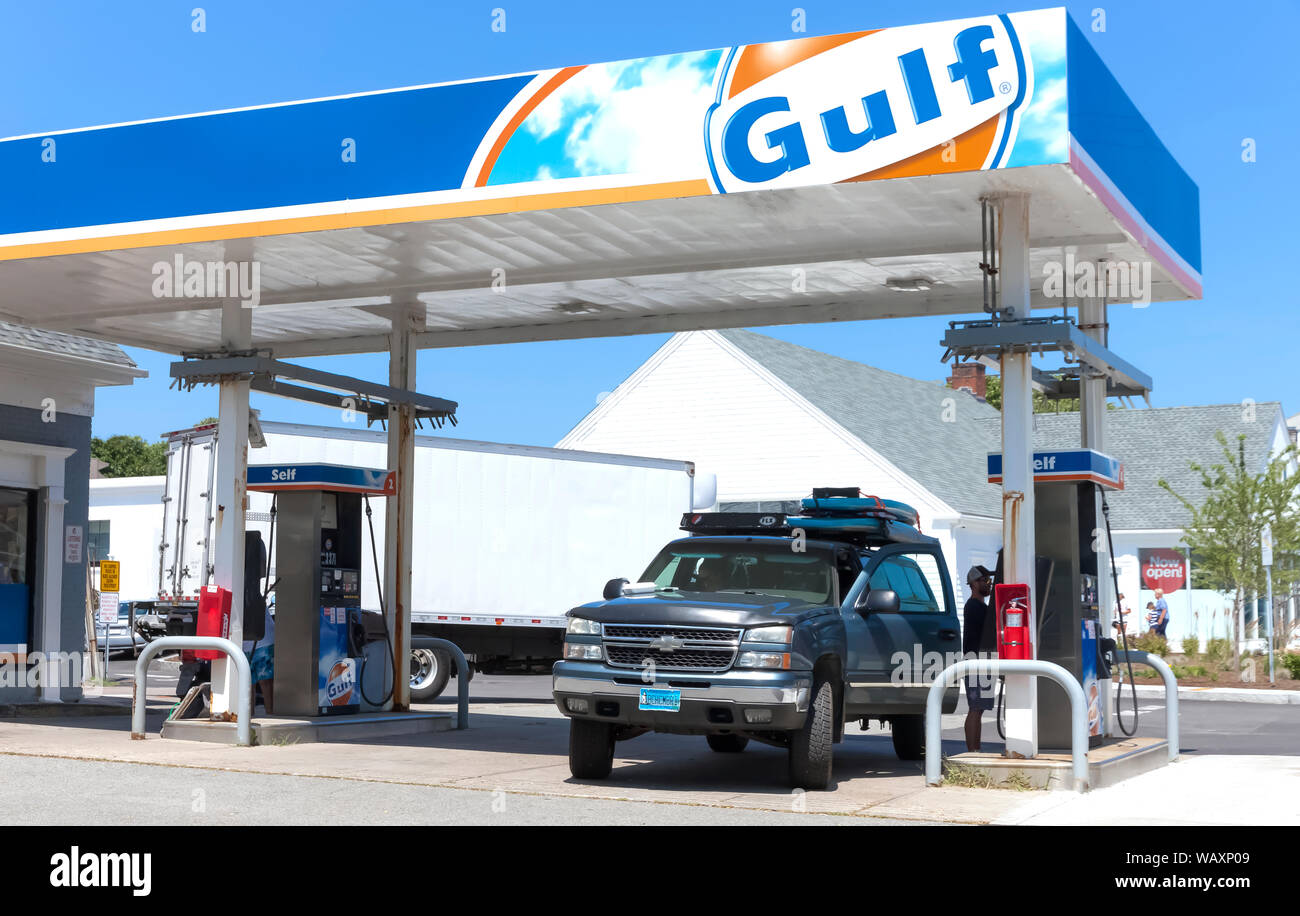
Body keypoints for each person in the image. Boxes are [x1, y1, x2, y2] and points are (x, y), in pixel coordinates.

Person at [962, 565, 996, 752]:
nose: (989, 584)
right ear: (974, 583)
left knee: (979, 709)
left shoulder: (981, 607)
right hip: (976, 663)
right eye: (985, 581)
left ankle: (976, 749)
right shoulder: (975, 606)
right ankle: (972, 750)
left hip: (982, 662)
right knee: (975, 708)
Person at [243, 600, 276, 717]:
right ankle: (248, 718)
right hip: (244, 643)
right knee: (247, 683)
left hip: (263, 641)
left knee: (265, 682)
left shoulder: (253, 595)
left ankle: (271, 716)